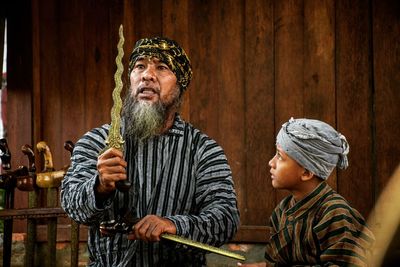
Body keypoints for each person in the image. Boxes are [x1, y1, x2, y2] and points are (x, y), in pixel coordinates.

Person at [61, 37, 240, 266]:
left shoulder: (203, 150)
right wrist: (99, 187)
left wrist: (173, 225)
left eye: (162, 67)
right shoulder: (96, 142)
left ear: (180, 83)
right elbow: (73, 207)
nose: (147, 75)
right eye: (140, 66)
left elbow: (226, 219)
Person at [239, 118, 374, 267]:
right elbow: (275, 263)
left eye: (280, 156)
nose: (271, 163)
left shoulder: (335, 214)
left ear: (307, 173)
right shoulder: (281, 213)